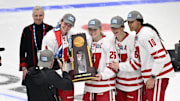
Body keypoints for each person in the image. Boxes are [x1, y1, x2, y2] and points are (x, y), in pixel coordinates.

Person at [110, 10, 175, 101]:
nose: (129, 24)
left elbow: (160, 56)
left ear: (139, 21)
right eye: (128, 22)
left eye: (132, 22)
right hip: (153, 76)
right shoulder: (139, 35)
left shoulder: (145, 34)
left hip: (158, 75)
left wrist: (153, 77)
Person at [41, 13, 76, 101]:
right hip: (54, 76)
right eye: (65, 24)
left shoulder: (71, 35)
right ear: (61, 21)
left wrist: (73, 57)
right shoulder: (50, 37)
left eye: (70, 25)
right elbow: (44, 62)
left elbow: (73, 51)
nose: (67, 27)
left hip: (65, 75)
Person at [83, 18, 118, 101]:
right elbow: (82, 64)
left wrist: (103, 75)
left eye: (95, 29)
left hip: (104, 87)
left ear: (100, 29)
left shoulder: (108, 43)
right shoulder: (86, 42)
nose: (92, 32)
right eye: (90, 29)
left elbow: (114, 65)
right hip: (89, 87)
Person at [110, 16, 143, 101]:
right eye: (112, 27)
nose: (114, 30)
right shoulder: (111, 41)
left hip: (134, 85)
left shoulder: (133, 40)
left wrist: (119, 66)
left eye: (117, 27)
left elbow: (136, 64)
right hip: (119, 85)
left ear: (123, 27)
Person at [19, 5, 53, 77]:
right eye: (36, 15)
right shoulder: (27, 30)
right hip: (31, 66)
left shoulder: (50, 29)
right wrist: (23, 67)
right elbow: (22, 50)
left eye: (40, 15)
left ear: (43, 16)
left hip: (47, 67)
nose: (38, 18)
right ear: (32, 16)